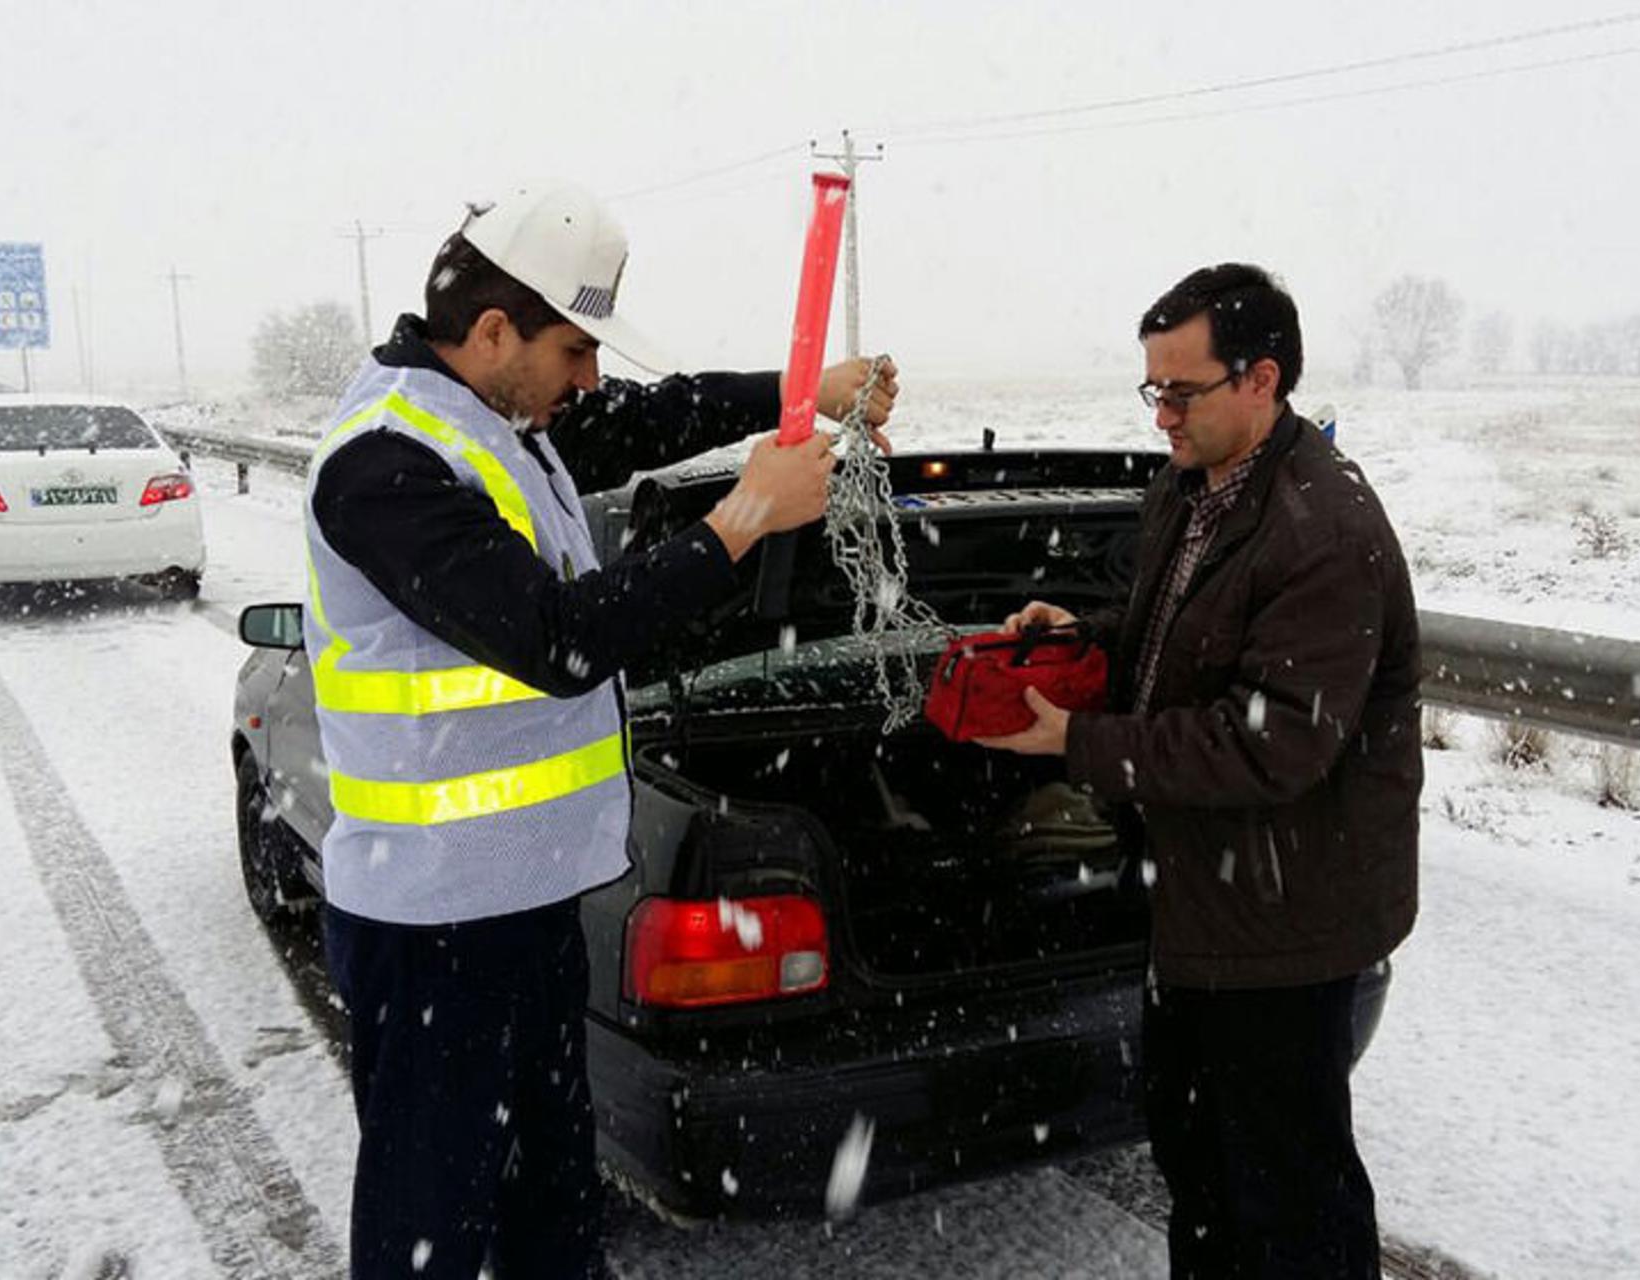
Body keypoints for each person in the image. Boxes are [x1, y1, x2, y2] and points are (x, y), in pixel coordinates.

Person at [303, 180, 899, 1279]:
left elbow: (649, 416)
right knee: (429, 1225)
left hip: (523, 905)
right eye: (576, 350)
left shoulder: (499, 418)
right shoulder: (385, 462)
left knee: (552, 1208)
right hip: (433, 924)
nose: (588, 381)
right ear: (493, 331)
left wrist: (802, 389)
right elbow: (560, 636)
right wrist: (746, 517)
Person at [977, 263, 1420, 1278]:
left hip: (1289, 922)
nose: (1162, 414)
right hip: (1202, 901)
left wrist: (1077, 743)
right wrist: (1081, 642)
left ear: (1261, 380)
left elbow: (1269, 740)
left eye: (1182, 390)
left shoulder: (1324, 530)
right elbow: (1172, 640)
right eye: (1153, 389)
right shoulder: (1188, 489)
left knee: (1289, 1197)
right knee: (1200, 1167)